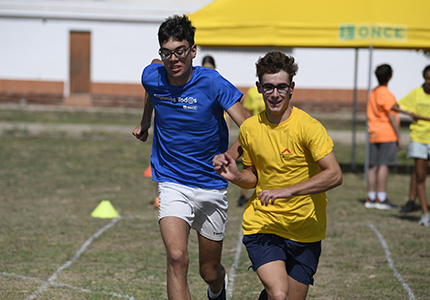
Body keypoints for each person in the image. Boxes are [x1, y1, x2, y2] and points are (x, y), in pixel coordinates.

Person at [132, 15, 248, 300]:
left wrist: (230, 155)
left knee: (208, 270)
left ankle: (217, 287)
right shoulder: (153, 76)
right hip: (172, 182)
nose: (174, 59)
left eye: (180, 50)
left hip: (211, 185)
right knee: (176, 257)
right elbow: (151, 83)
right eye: (167, 52)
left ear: (193, 50)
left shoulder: (213, 83)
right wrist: (145, 121)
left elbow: (250, 129)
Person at [213, 51, 343, 300]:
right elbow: (252, 175)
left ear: (291, 88)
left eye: (281, 87)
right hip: (264, 224)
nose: (275, 94)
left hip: (305, 229)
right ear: (259, 88)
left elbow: (335, 175)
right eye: (269, 87)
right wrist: (236, 177)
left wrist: (289, 190)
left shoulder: (308, 127)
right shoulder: (250, 128)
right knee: (279, 293)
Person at [392, 65, 430, 226]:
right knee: (420, 176)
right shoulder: (416, 93)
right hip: (419, 138)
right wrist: (412, 114)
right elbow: (394, 106)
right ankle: (425, 213)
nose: (429, 81)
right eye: (427, 78)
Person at [365, 64, 400, 209]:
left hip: (373, 133)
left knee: (373, 166)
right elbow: (392, 116)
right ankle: (381, 197)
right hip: (387, 133)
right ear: (389, 77)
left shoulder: (373, 92)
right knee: (383, 166)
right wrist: (399, 136)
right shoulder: (386, 93)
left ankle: (371, 197)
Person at [236, 86, 265, 207]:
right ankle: (243, 195)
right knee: (248, 167)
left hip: (269, 134)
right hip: (255, 134)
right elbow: (247, 111)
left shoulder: (276, 89)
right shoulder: (252, 92)